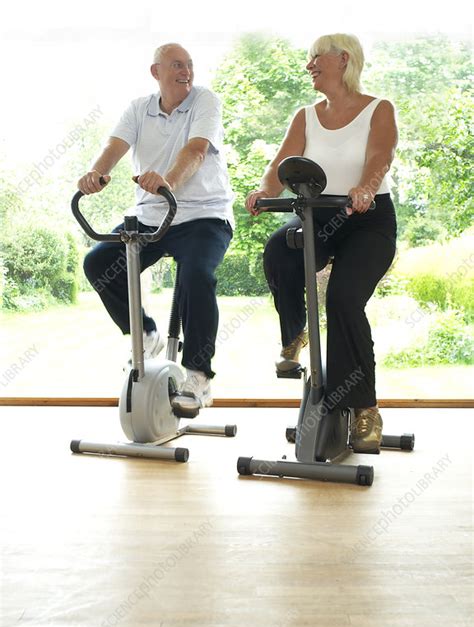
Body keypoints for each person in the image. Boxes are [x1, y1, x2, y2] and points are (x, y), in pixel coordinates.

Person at [246, 33, 398, 453]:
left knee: (344, 301)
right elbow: (280, 165)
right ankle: (295, 333)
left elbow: (380, 156)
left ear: (342, 60)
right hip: (321, 215)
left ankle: (365, 409)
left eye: (315, 58)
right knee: (280, 250)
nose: (309, 65)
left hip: (369, 220)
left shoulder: (377, 109)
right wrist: (264, 191)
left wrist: (366, 187)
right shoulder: (306, 115)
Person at [79, 43, 234, 411]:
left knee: (197, 274)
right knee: (99, 263)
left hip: (203, 216)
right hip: (152, 217)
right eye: (177, 65)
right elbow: (114, 146)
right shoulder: (138, 108)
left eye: (190, 65)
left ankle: (198, 376)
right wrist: (96, 172)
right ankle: (145, 334)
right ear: (156, 72)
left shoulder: (204, 101)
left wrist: (167, 180)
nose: (187, 71)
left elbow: (195, 151)